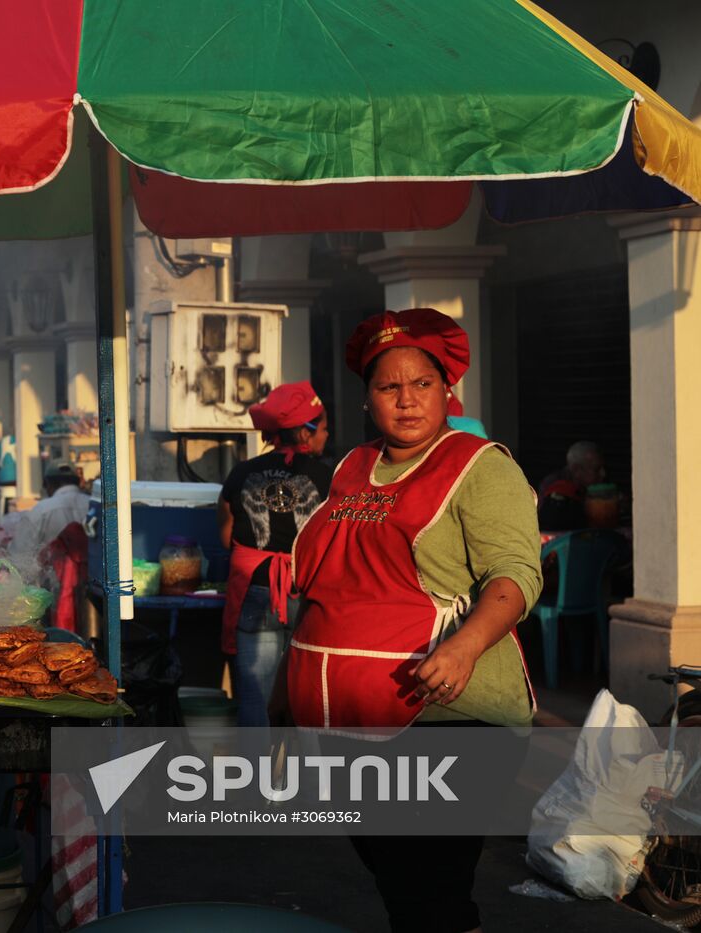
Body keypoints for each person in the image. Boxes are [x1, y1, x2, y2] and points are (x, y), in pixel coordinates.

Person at [278, 308, 541, 933]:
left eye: (421, 383)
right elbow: (327, 588)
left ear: (447, 390)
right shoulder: (351, 467)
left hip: (452, 711)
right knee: (401, 885)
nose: (406, 400)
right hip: (347, 712)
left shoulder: (480, 466)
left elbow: (515, 574)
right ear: (366, 399)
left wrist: (464, 647)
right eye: (388, 387)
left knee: (429, 890)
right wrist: (284, 689)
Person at [216, 381, 331, 728]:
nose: (327, 435)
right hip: (308, 594)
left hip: (255, 590)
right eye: (323, 428)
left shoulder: (241, 473)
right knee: (308, 697)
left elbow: (225, 537)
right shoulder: (330, 477)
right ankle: (308, 765)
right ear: (306, 432)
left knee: (256, 697)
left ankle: (256, 765)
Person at [1, 461, 90, 579]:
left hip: (52, 584)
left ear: (48, 484)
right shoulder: (93, 504)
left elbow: (18, 555)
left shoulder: (41, 510)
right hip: (94, 582)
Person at [537, 441, 605, 531]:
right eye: (596, 469)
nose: (603, 474)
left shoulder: (601, 486)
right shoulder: (554, 488)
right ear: (576, 469)